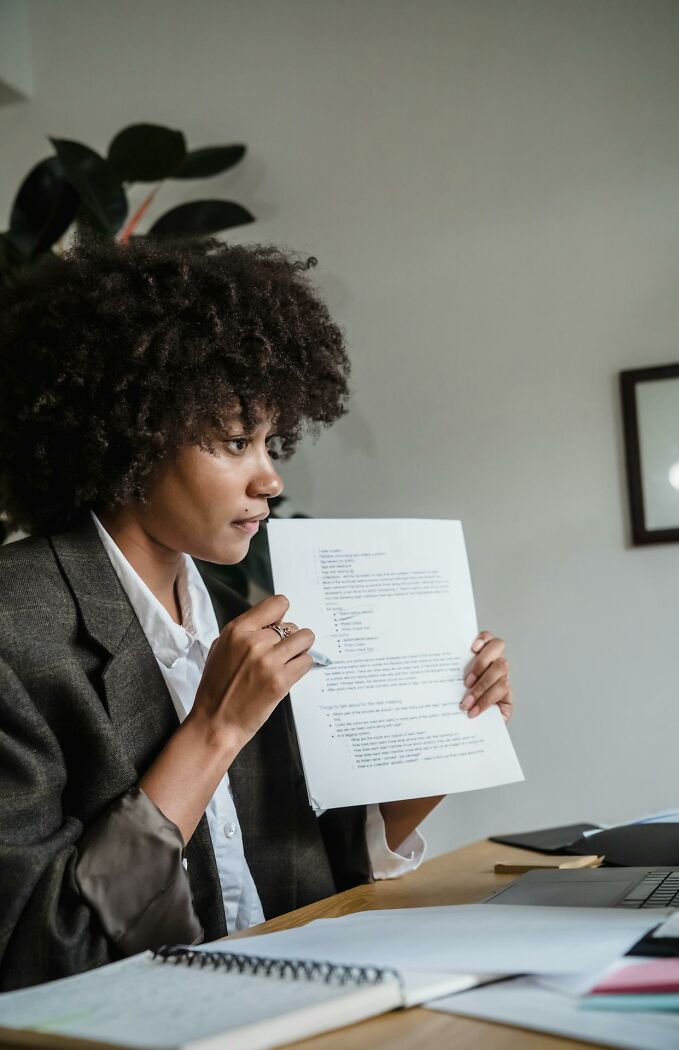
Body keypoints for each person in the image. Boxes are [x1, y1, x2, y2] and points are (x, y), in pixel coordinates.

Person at [0, 231, 514, 991]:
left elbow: (307, 877)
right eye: (236, 442)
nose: (270, 480)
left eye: (271, 442)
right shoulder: (17, 625)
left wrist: (444, 741)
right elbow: (33, 948)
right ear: (131, 442)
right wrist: (215, 730)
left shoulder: (243, 613)